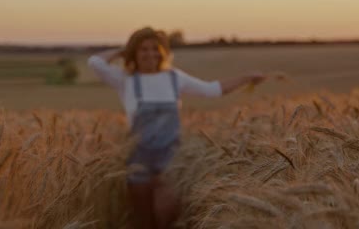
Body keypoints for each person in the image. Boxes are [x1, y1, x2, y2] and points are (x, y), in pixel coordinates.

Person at [87, 27, 266, 229]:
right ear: (134, 54)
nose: (150, 54)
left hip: (172, 159)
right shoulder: (126, 80)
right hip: (139, 159)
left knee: (166, 215)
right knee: (143, 220)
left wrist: (247, 78)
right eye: (143, 49)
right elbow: (95, 62)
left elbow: (212, 90)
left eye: (155, 48)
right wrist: (123, 50)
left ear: (162, 52)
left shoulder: (174, 77)